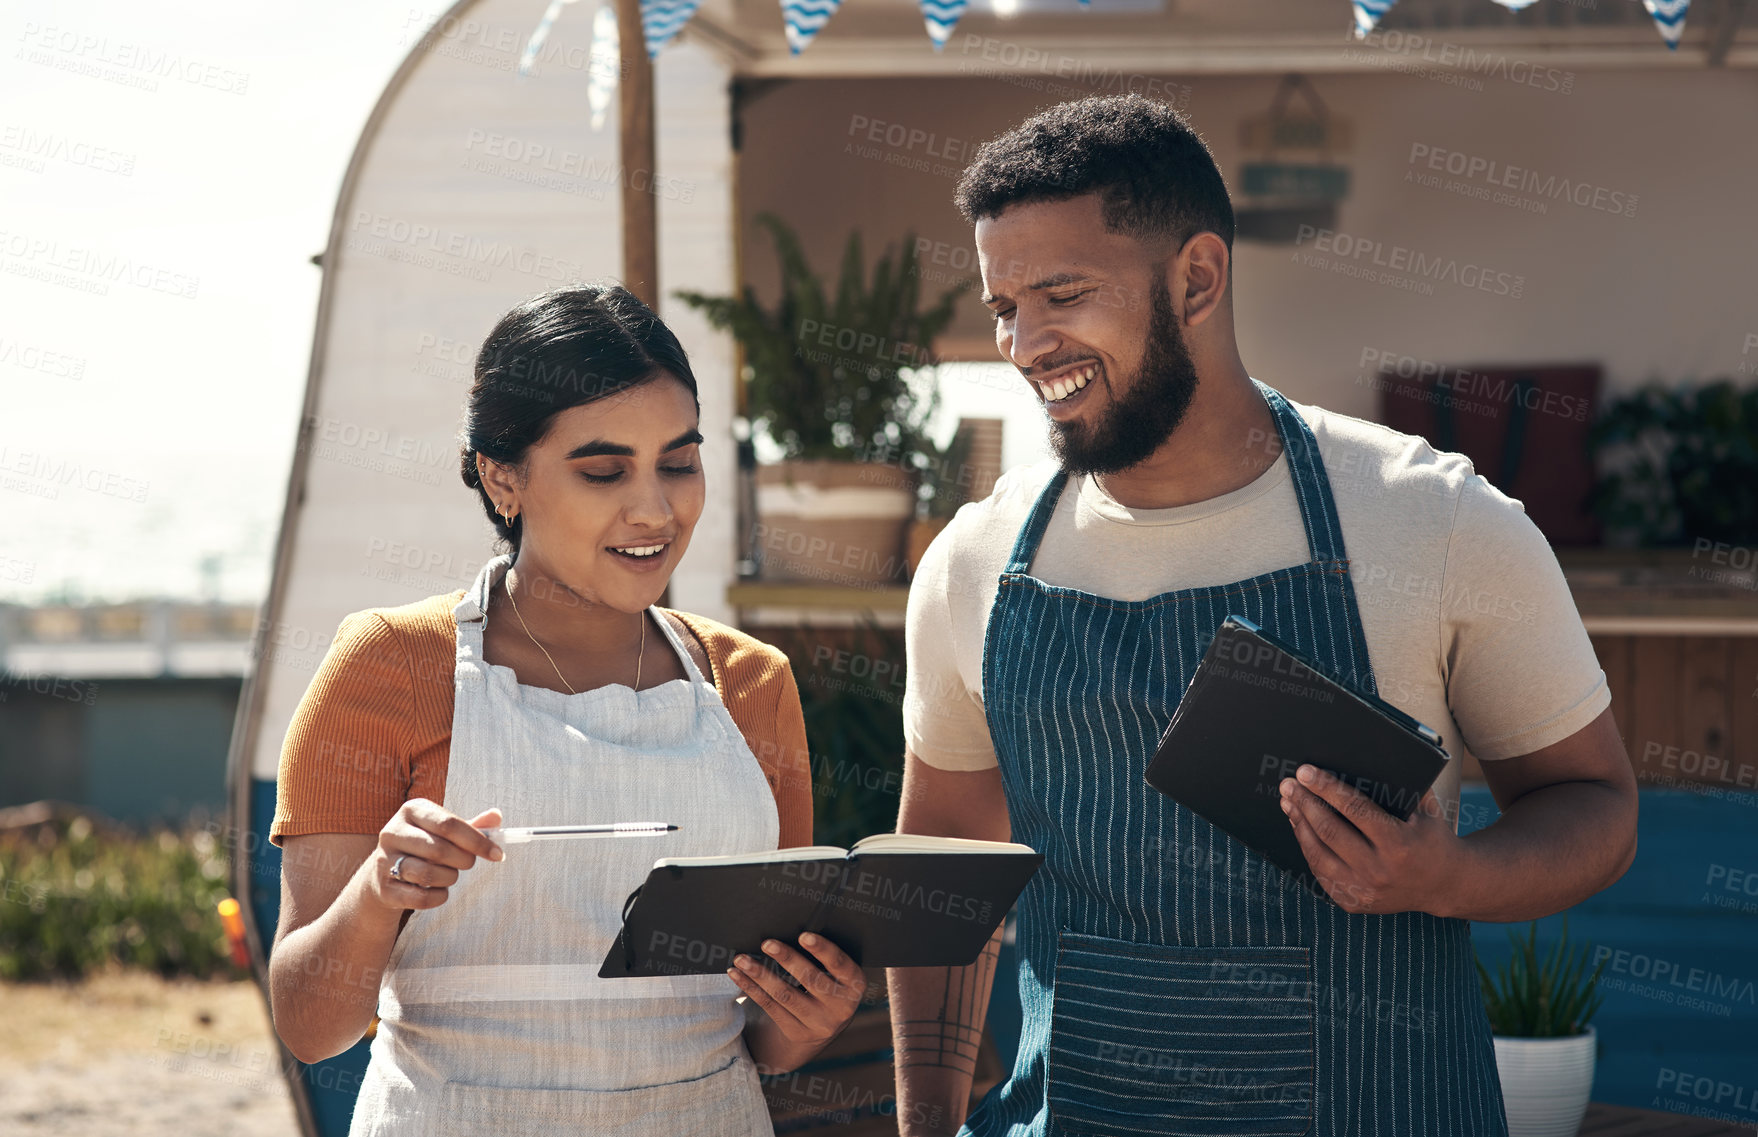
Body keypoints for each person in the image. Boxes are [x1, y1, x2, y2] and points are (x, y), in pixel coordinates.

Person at [889, 96, 1638, 1137]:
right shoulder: (973, 563)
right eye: (1005, 303)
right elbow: (942, 879)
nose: (1024, 342)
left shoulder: (1435, 520)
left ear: (1197, 277)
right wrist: (924, 1126)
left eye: (1062, 293)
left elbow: (1595, 806)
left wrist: (1450, 874)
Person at [267, 285, 865, 1137]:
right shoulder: (387, 666)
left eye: (679, 461)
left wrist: (804, 1015)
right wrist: (376, 892)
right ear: (500, 474)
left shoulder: (751, 683)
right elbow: (307, 1022)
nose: (656, 509)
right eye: (603, 470)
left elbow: (763, 1032)